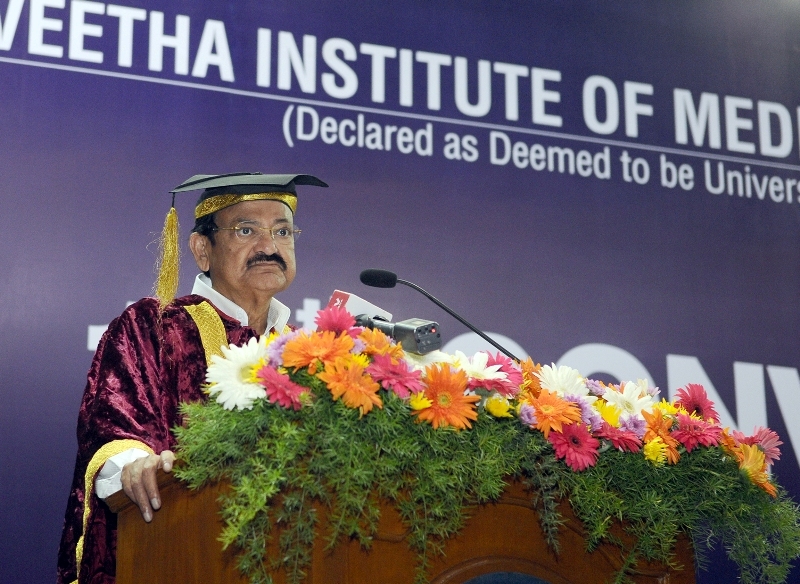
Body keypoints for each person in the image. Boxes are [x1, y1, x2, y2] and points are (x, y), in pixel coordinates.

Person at [57, 173, 327, 584]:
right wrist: (137, 466)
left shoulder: (307, 354)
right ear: (202, 249)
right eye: (246, 230)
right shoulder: (154, 326)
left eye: (283, 231)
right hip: (172, 555)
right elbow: (112, 425)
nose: (269, 247)